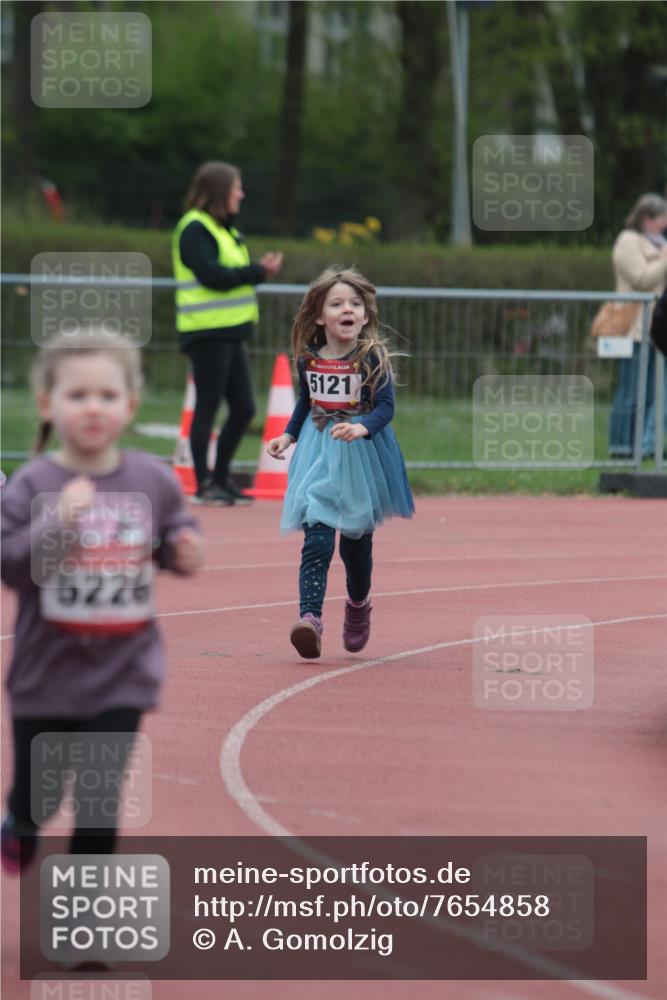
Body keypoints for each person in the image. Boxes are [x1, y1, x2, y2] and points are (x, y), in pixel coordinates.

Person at [1, 330, 204, 874]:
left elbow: (175, 530)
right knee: (39, 798)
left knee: (99, 799)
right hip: (45, 674)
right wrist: (57, 522)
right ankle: (19, 822)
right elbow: (10, 565)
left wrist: (183, 549)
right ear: (47, 403)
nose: (93, 408)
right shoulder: (32, 483)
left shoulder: (151, 480)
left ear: (131, 405)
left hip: (123, 670)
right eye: (77, 395)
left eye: (107, 396)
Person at [267, 268, 414, 659]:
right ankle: (310, 619)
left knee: (355, 547)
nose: (347, 309)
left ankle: (358, 603)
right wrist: (288, 435)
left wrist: (362, 428)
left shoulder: (372, 357)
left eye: (355, 303)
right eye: (337, 304)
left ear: (365, 315)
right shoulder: (309, 360)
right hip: (318, 452)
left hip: (361, 456)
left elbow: (386, 408)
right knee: (316, 538)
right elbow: (305, 402)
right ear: (319, 316)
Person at [172, 161, 283, 504]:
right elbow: (212, 275)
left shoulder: (225, 230)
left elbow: (226, 272)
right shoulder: (194, 227)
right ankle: (205, 484)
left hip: (230, 331)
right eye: (236, 187)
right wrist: (257, 272)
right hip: (207, 331)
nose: (241, 194)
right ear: (220, 191)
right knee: (207, 407)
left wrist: (256, 272)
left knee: (244, 408)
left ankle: (221, 478)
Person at [609, 193, 667, 458]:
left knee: (651, 394)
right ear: (647, 219)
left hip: (654, 329)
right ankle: (620, 446)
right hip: (630, 327)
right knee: (630, 391)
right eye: (662, 217)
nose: (666, 223)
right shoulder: (627, 241)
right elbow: (642, 278)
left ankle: (641, 448)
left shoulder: (659, 244)